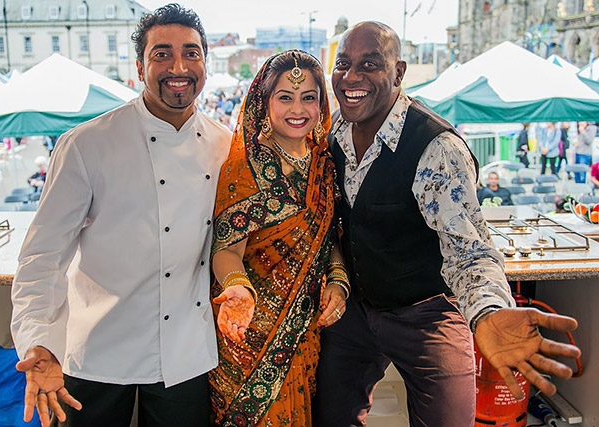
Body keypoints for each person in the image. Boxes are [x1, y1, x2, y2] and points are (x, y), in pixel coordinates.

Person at [314, 21, 581, 427]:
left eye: (369, 64)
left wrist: (488, 311)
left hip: (426, 313)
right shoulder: (335, 131)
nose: (351, 77)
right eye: (343, 64)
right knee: (329, 416)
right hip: (356, 309)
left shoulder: (437, 147)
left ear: (398, 72)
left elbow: (469, 249)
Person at [10, 4, 231, 427]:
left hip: (184, 355)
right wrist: (38, 341)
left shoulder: (226, 146)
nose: (178, 66)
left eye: (191, 52)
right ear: (139, 67)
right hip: (96, 351)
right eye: (161, 54)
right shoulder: (86, 144)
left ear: (206, 63)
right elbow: (42, 256)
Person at [208, 50, 348, 426]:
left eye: (308, 97)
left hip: (303, 332)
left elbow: (329, 237)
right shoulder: (245, 167)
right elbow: (225, 250)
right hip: (247, 330)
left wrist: (338, 280)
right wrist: (237, 288)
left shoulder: (325, 165)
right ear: (264, 103)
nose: (297, 108)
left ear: (321, 104)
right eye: (284, 97)